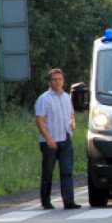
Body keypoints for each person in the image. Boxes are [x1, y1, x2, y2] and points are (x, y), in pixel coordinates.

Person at [35, 68, 81, 210]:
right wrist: (48, 138)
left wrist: (73, 123)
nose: (57, 82)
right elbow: (39, 120)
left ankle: (69, 201)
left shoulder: (67, 97)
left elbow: (71, 115)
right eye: (54, 79)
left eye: (60, 79)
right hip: (50, 140)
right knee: (48, 171)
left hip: (65, 138)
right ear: (49, 82)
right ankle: (46, 200)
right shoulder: (44, 99)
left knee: (67, 170)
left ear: (63, 81)